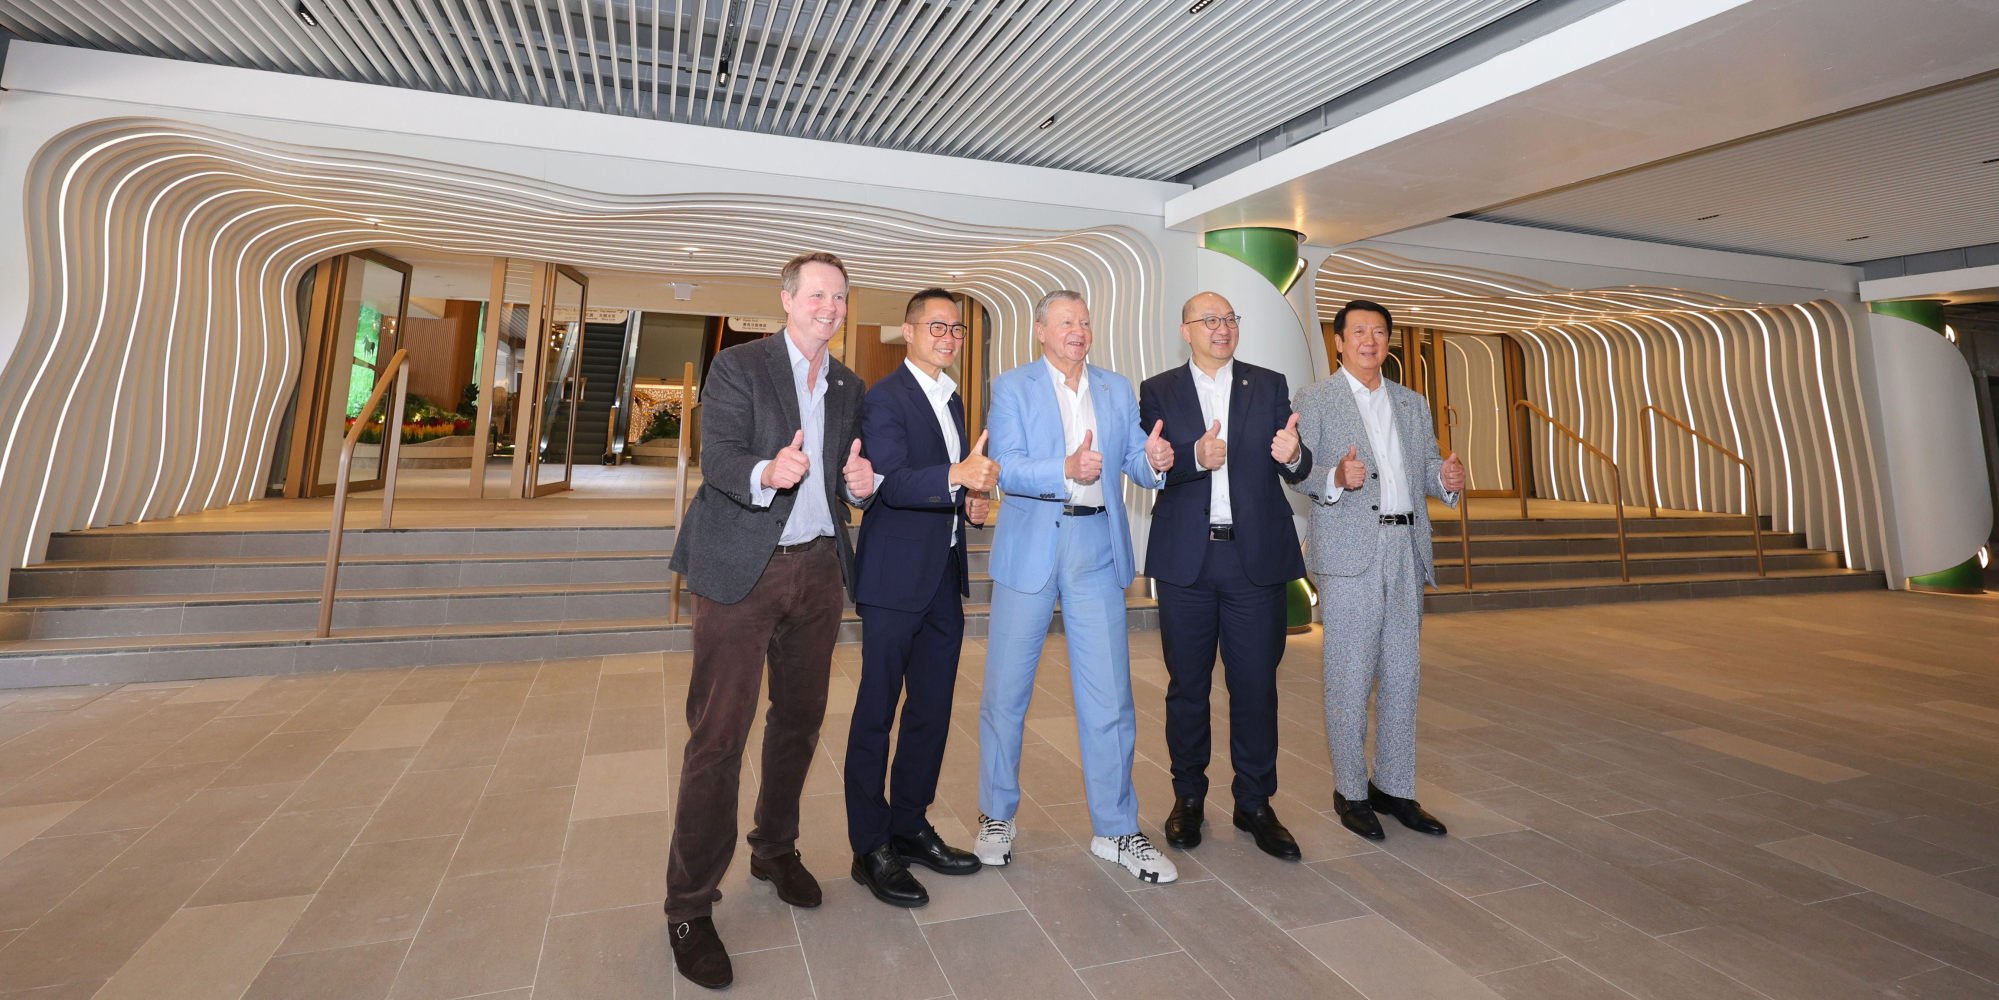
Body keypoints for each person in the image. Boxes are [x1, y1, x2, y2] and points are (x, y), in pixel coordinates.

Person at [663, 251, 877, 990]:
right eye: (817, 293)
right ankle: (689, 906)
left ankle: (774, 848)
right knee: (718, 736)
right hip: (739, 569)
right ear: (786, 299)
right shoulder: (738, 366)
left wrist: (862, 484)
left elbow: (853, 470)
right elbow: (714, 455)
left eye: (840, 296)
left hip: (818, 571)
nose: (830, 306)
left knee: (799, 721)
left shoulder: (849, 384)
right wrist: (766, 471)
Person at [974, 289, 1180, 884]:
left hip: (1094, 548)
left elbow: (1135, 463)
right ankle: (996, 817)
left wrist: (1157, 458)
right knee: (1006, 693)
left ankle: (1117, 830)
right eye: (1066, 322)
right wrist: (1064, 468)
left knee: (1110, 695)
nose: (1079, 332)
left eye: (1085, 323)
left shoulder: (1115, 388)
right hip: (1031, 547)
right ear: (1040, 331)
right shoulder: (1014, 387)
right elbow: (1004, 467)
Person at [1138, 291, 1312, 861]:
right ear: (1185, 330)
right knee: (1187, 688)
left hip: (1252, 561)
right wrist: (1190, 458)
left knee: (1255, 687)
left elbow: (1295, 461)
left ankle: (1255, 802)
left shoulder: (1267, 383)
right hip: (1188, 562)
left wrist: (1294, 457)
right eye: (1208, 320)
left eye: (1229, 319)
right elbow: (1151, 467)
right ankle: (1188, 797)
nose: (1221, 328)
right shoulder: (1158, 390)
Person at [1287, 299, 1465, 842]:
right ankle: (1351, 790)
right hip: (1349, 553)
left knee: (1403, 674)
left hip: (1405, 547)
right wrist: (1336, 475)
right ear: (1338, 341)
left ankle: (1395, 786)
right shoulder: (1315, 399)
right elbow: (1296, 473)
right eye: (1359, 331)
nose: (1370, 340)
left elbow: (1426, 465)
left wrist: (1446, 477)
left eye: (1380, 332)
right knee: (1349, 674)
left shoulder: (1411, 403)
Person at [844, 288, 998, 907]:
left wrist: (971, 502)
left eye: (956, 329)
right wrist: (955, 478)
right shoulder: (884, 399)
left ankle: (909, 825)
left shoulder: (953, 398)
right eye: (936, 326)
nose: (949, 337)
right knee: (876, 713)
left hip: (942, 575)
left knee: (931, 710)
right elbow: (892, 480)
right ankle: (869, 846)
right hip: (892, 578)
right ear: (906, 333)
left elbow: (943, 487)